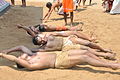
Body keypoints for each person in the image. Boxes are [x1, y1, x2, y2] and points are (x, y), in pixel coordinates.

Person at [0, 45, 118, 70]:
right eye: (20, 57)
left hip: (60, 55)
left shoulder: (31, 55)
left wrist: (7, 49)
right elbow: (15, 59)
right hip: (59, 61)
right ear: (22, 62)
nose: (20, 55)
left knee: (85, 53)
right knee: (85, 58)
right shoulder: (30, 64)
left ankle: (104, 60)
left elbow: (21, 47)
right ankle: (111, 66)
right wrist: (2, 55)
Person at [17, 24, 83, 37]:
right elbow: (29, 28)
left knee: (63, 28)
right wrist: (22, 27)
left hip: (47, 29)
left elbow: (30, 27)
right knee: (63, 31)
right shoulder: (36, 34)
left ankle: (75, 29)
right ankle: (75, 29)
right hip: (49, 32)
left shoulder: (35, 29)